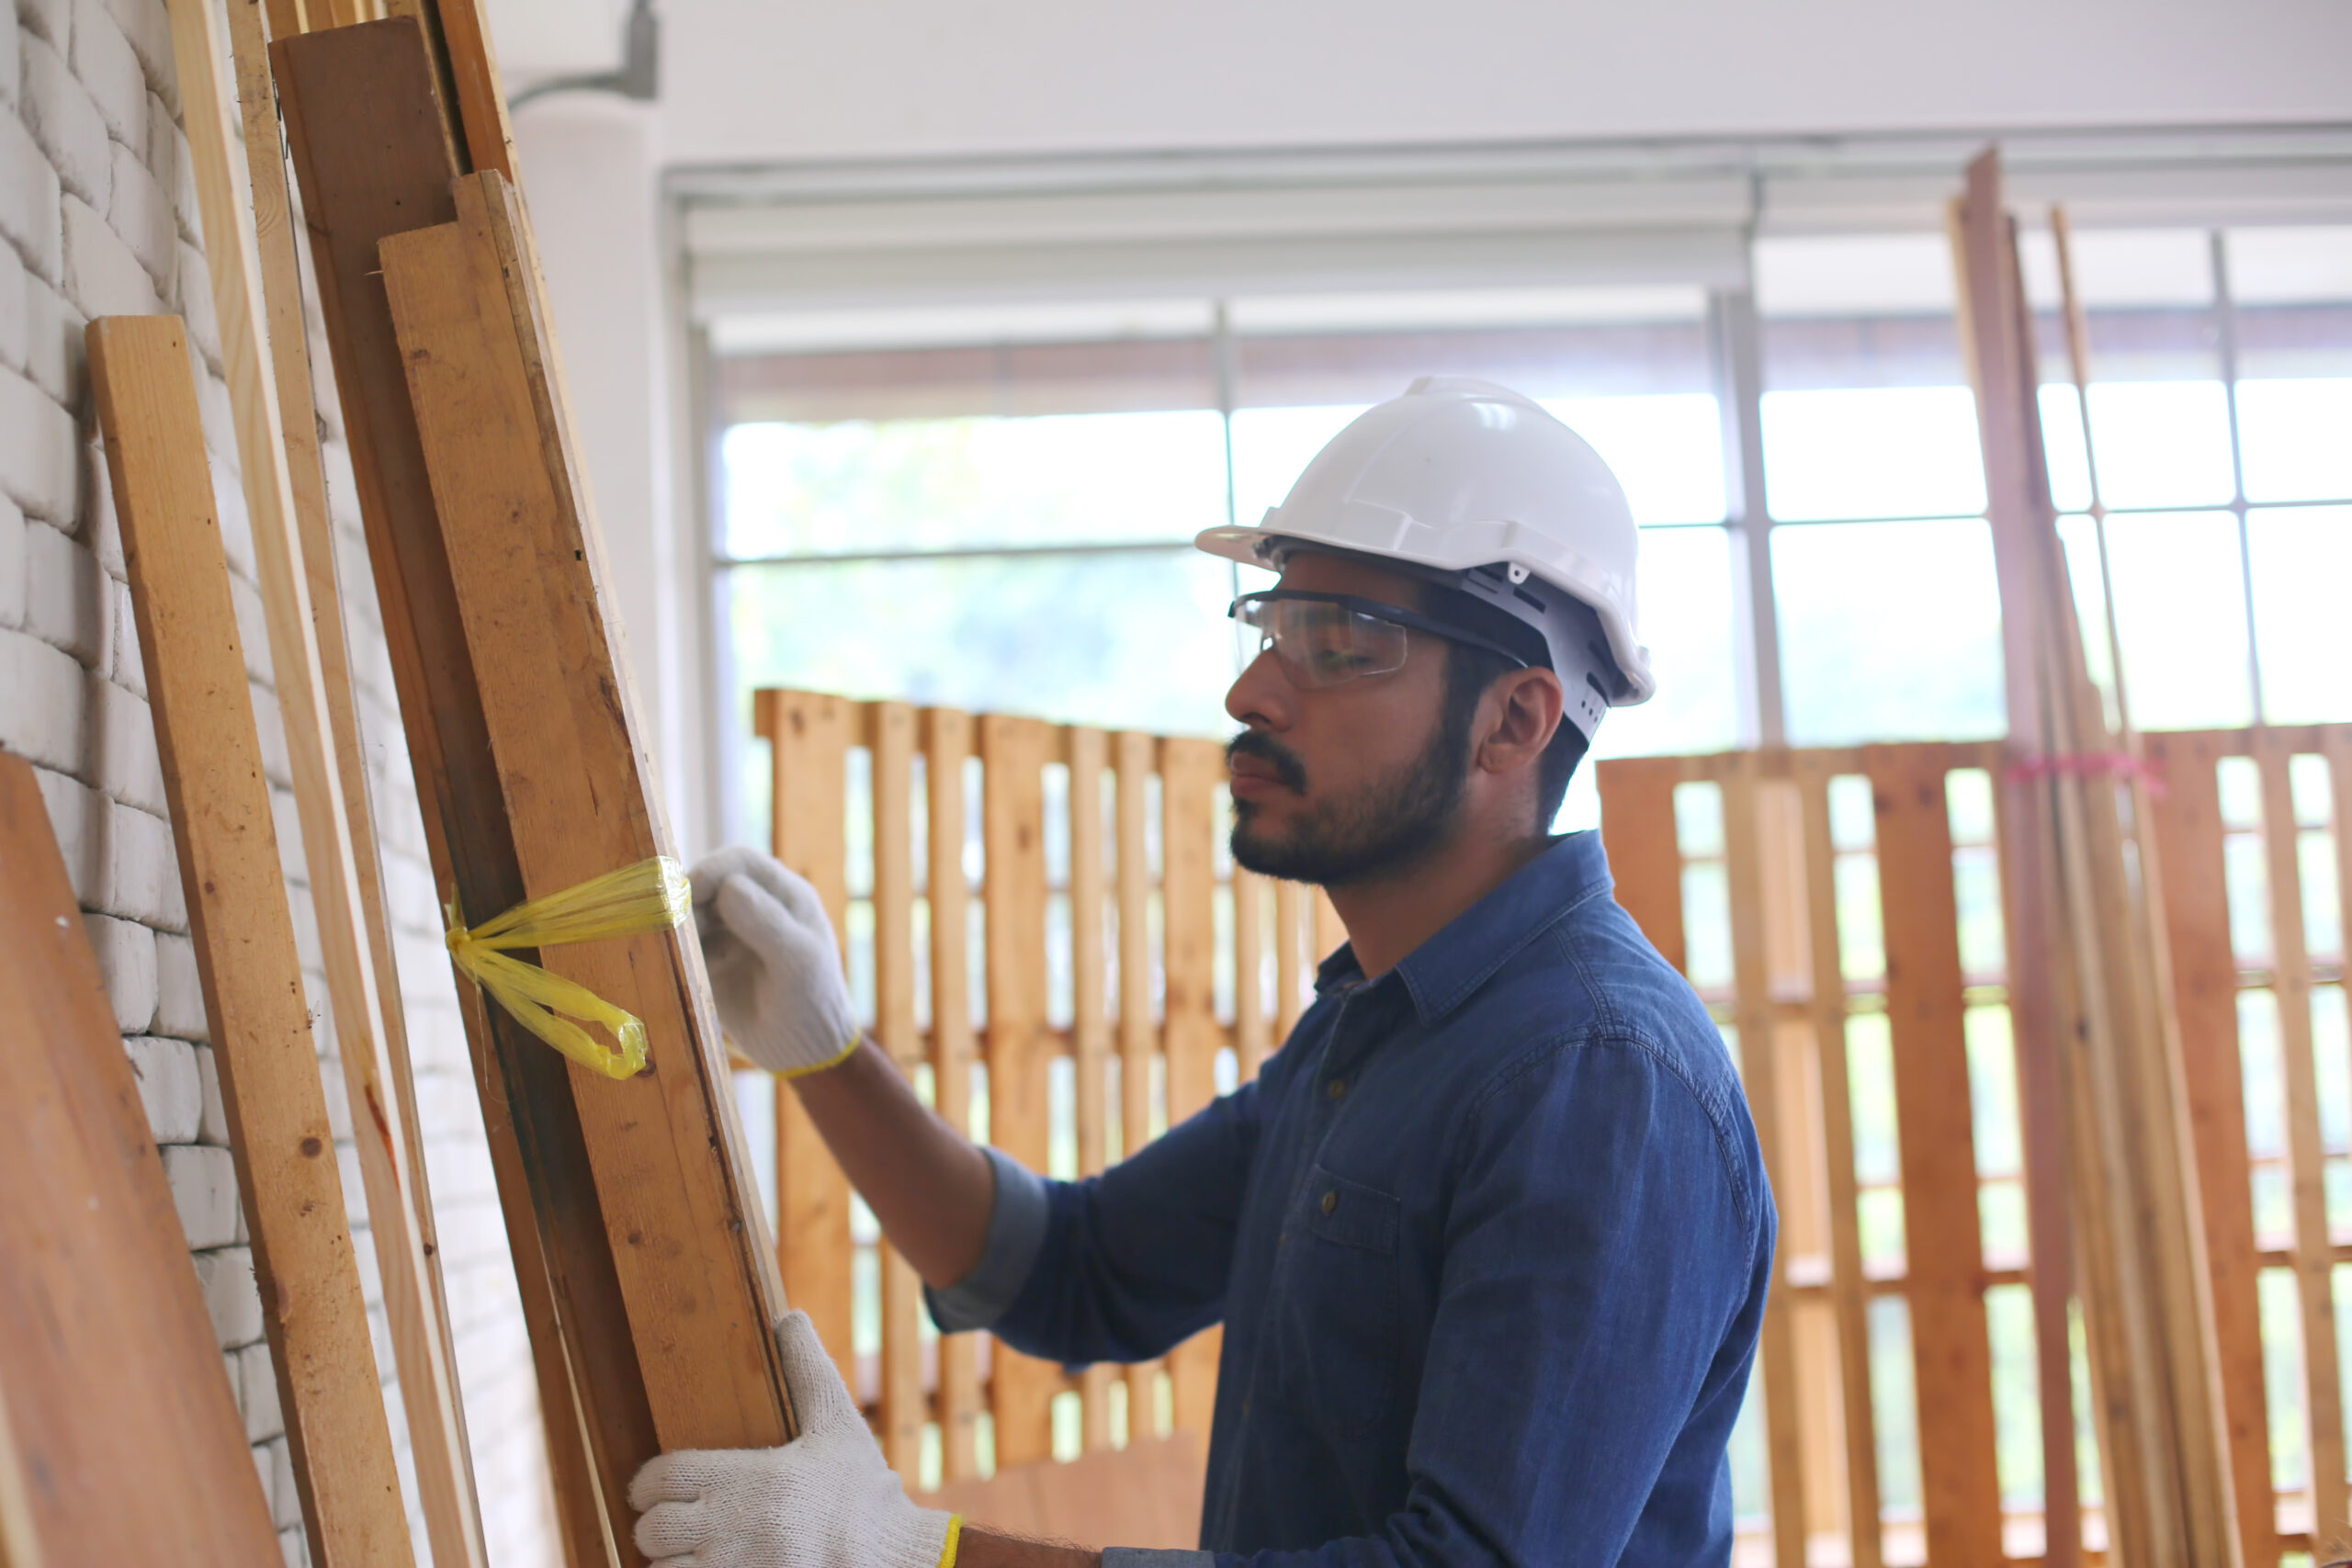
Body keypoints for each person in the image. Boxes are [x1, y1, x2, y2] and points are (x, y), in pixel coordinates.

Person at [630, 378, 1775, 1568]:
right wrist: (824, 1050)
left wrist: (916, 1556)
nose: (1252, 691)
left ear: (1516, 718)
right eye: (1273, 630)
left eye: (1340, 645)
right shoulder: (1374, 1036)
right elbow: (1071, 1271)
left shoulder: (1595, 1081)